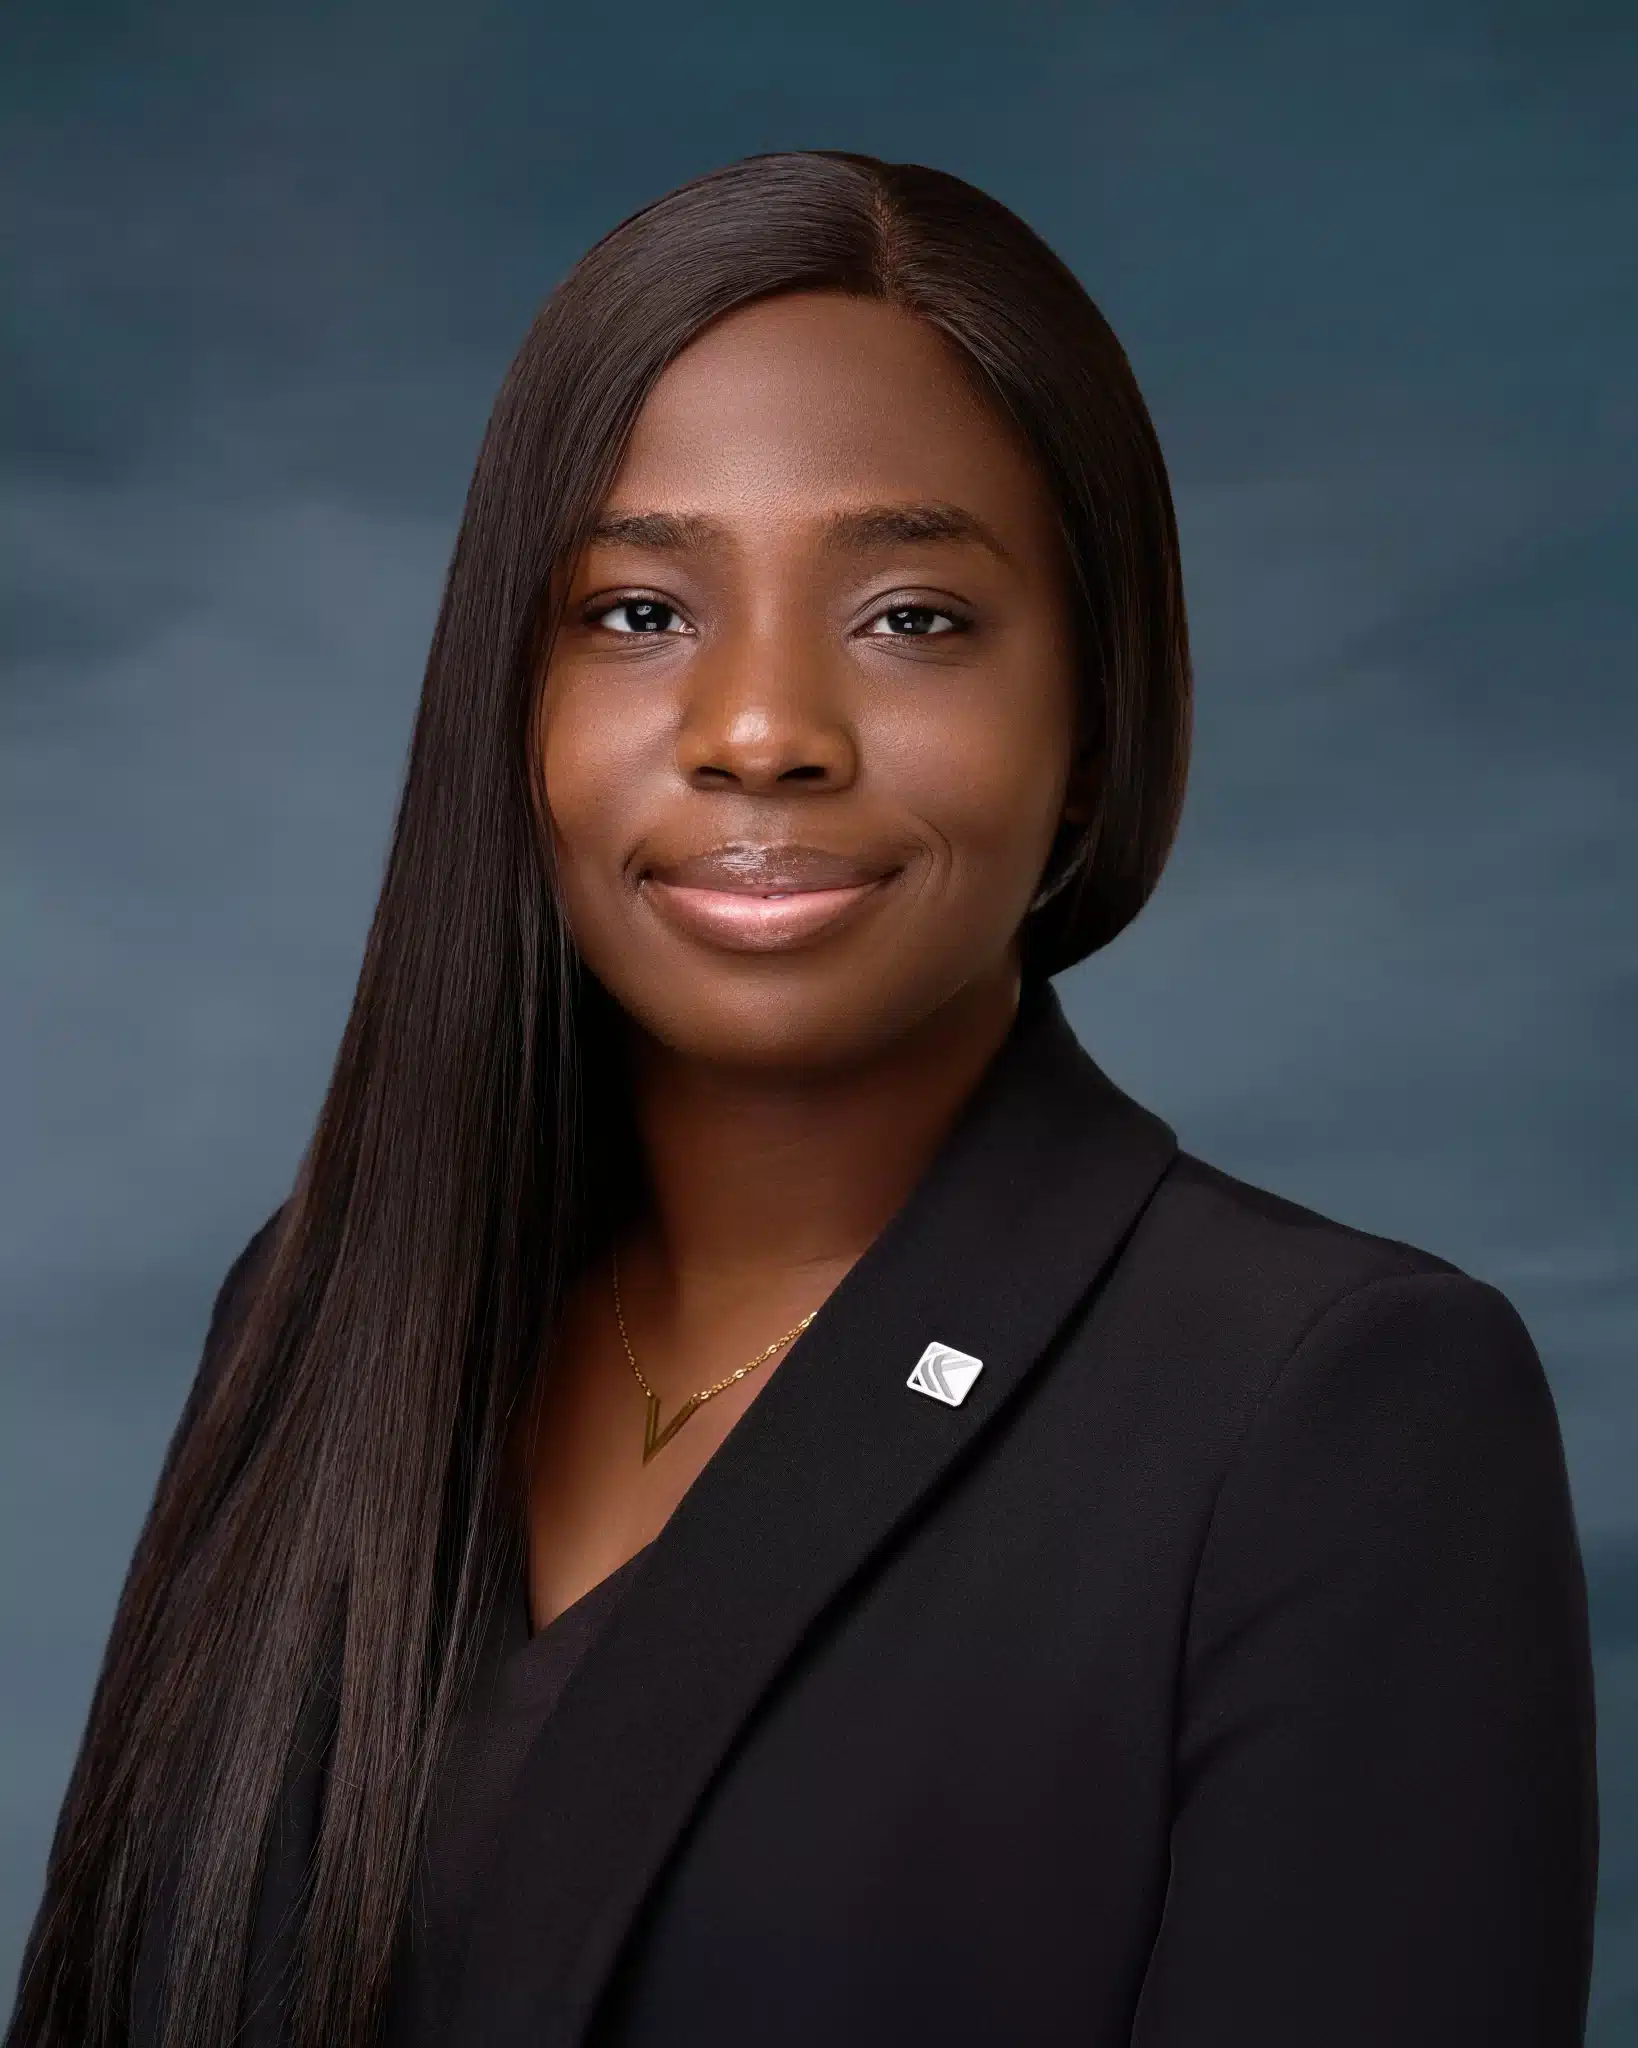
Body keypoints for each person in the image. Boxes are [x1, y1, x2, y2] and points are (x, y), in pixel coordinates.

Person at [9, 150, 1597, 2048]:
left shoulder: (1334, 1405)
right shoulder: (317, 1308)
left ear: (1090, 726)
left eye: (914, 614)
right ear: (506, 708)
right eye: (637, 614)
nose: (761, 727)